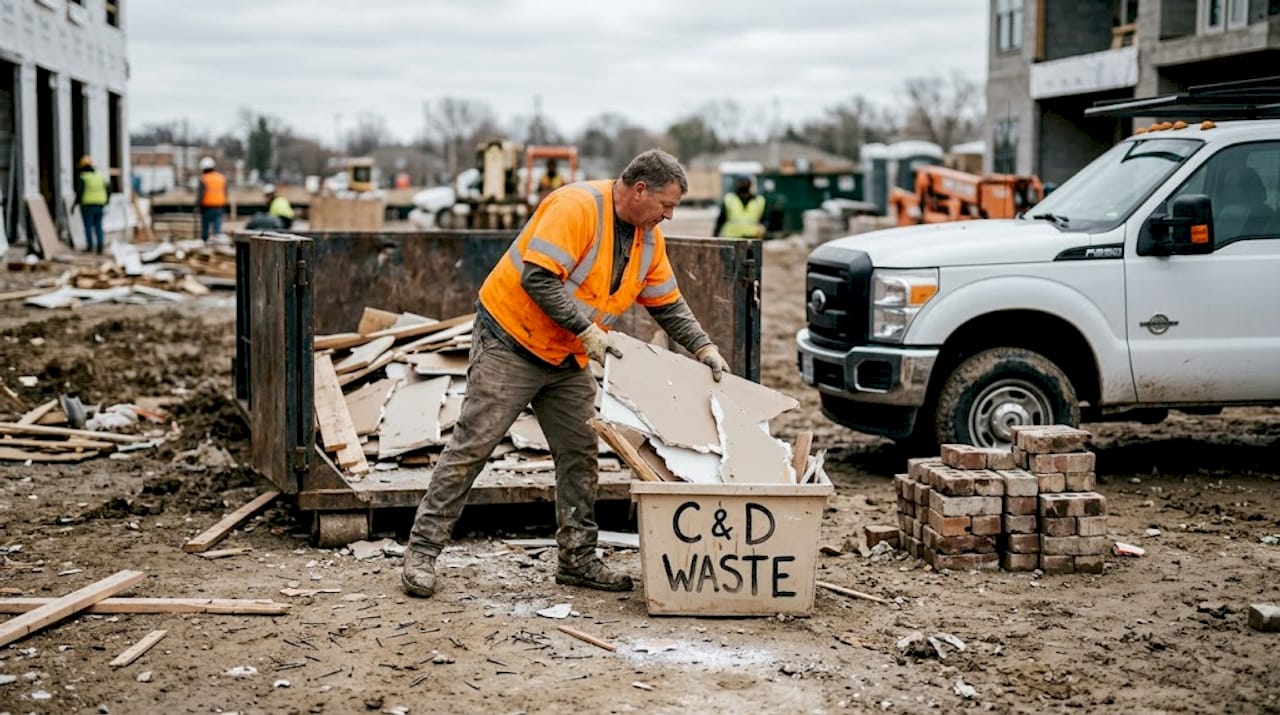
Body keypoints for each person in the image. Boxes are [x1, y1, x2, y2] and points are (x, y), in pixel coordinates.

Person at [402, 149, 730, 598]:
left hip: (568, 355)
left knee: (579, 454)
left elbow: (667, 303)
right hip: (512, 341)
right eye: (665, 205)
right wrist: (587, 331)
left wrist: (703, 345)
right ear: (639, 190)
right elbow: (538, 279)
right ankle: (422, 551)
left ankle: (577, 559)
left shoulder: (647, 237)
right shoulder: (575, 208)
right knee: (472, 445)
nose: (669, 216)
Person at [74, 155, 109, 254]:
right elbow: (108, 188)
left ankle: (90, 247)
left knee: (88, 226)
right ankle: (100, 247)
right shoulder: (99, 176)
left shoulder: (83, 177)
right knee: (98, 226)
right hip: (100, 204)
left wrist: (75, 204)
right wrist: (106, 200)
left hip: (88, 205)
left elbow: (79, 193)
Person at [195, 156, 228, 243]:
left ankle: (205, 243)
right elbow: (225, 193)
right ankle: (218, 246)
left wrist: (197, 206)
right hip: (219, 207)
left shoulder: (203, 179)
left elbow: (200, 194)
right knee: (217, 230)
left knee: (205, 230)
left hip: (207, 208)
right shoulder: (221, 178)